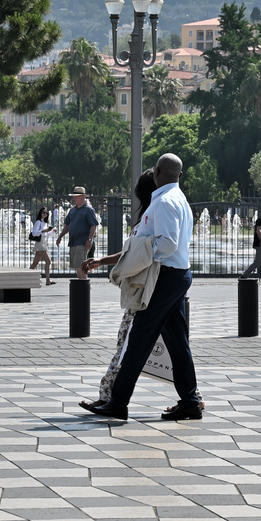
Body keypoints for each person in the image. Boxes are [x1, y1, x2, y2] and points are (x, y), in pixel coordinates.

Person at [83, 153, 202, 422]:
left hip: (165, 276)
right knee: (177, 341)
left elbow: (168, 243)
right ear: (179, 175)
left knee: (139, 338)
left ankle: (119, 402)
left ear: (158, 171)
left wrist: (144, 256)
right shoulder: (179, 200)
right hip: (177, 274)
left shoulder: (164, 202)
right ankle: (190, 401)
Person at [79, 170, 163, 407]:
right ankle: (191, 396)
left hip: (145, 291)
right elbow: (131, 253)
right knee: (172, 347)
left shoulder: (152, 215)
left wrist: (104, 262)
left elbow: (138, 253)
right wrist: (102, 261)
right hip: (147, 290)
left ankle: (111, 397)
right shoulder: (150, 215)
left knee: (128, 345)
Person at [54, 187, 99, 279]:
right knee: (77, 268)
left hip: (82, 242)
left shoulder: (88, 210)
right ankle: (84, 286)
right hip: (73, 242)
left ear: (83, 197)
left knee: (80, 267)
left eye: (76, 197)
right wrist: (60, 236)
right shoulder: (72, 210)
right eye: (74, 196)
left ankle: (84, 288)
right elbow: (67, 225)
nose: (74, 198)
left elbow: (93, 226)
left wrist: (89, 240)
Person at [29, 206, 56, 286]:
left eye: (46, 213)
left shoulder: (45, 223)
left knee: (35, 263)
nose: (45, 214)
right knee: (48, 261)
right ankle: (48, 280)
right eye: (43, 212)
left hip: (44, 243)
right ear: (40, 213)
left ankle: (25, 276)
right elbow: (34, 233)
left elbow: (47, 235)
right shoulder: (38, 222)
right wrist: (44, 230)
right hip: (40, 244)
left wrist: (52, 231)